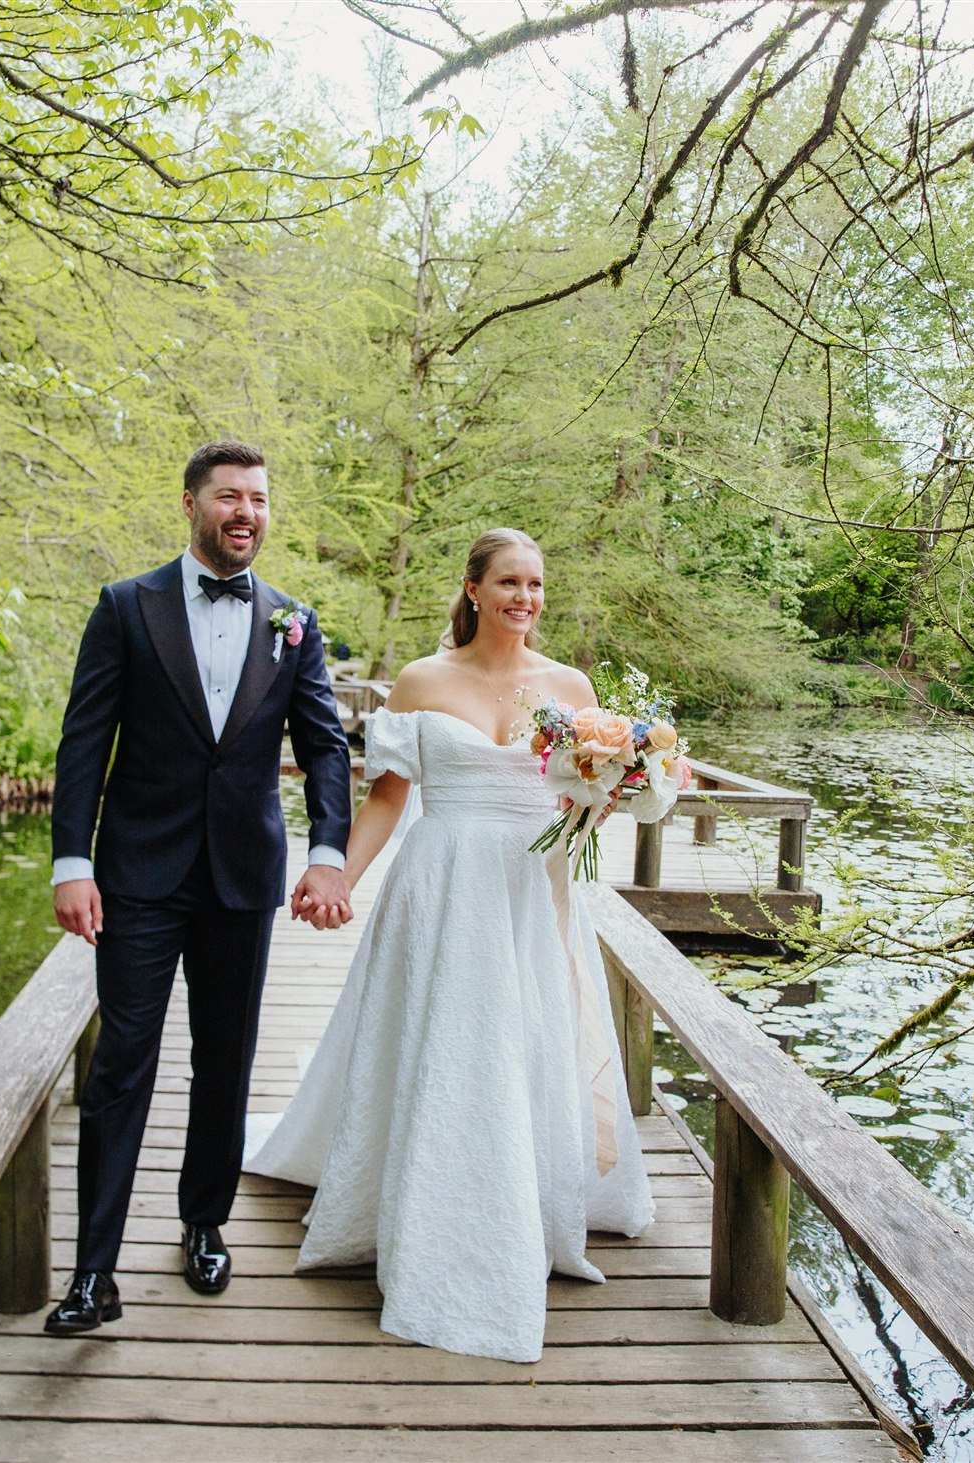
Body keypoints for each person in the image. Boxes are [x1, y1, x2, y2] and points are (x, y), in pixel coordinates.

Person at [247, 527, 656, 1364]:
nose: (525, 598)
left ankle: (525, 1204)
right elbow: (389, 800)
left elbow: (581, 798)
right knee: (449, 1050)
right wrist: (337, 878)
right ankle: (426, 1210)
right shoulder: (423, 680)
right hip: (442, 887)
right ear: (473, 588)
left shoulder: (571, 686)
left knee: (522, 1047)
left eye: (536, 584)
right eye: (509, 581)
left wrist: (612, 789)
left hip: (530, 893)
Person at [44, 439, 356, 1335]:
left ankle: (204, 1221)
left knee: (225, 1061)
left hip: (241, 877)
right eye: (229, 497)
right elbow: (82, 744)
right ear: (191, 504)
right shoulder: (125, 607)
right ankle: (93, 1272)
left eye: (258, 498)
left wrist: (327, 851)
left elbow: (326, 747)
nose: (246, 512)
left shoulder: (294, 622)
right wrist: (73, 861)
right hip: (137, 872)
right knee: (119, 1068)